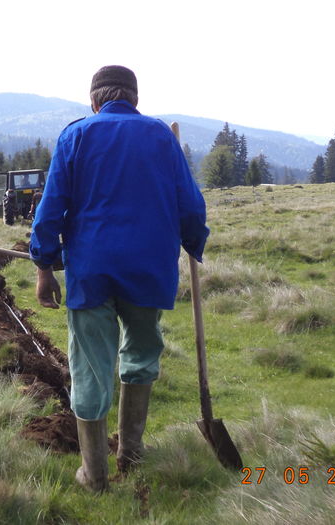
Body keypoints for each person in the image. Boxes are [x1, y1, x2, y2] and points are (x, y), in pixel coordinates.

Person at [29, 66, 209, 492]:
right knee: (143, 355)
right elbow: (191, 204)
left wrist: (44, 266)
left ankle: (94, 475)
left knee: (91, 366)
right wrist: (193, 242)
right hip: (149, 270)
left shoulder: (75, 135)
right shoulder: (162, 137)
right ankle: (131, 453)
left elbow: (51, 207)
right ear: (134, 99)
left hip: (91, 272)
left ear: (95, 100)